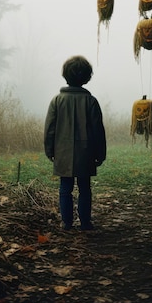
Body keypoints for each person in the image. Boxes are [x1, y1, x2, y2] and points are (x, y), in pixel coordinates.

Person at [44, 55, 106, 231]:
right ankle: (85, 223)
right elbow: (98, 131)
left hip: (62, 152)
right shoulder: (91, 101)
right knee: (84, 188)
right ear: (87, 77)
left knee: (65, 188)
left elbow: (50, 129)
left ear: (65, 75)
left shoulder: (57, 101)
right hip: (86, 153)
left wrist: (49, 150)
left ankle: (67, 223)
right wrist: (100, 154)